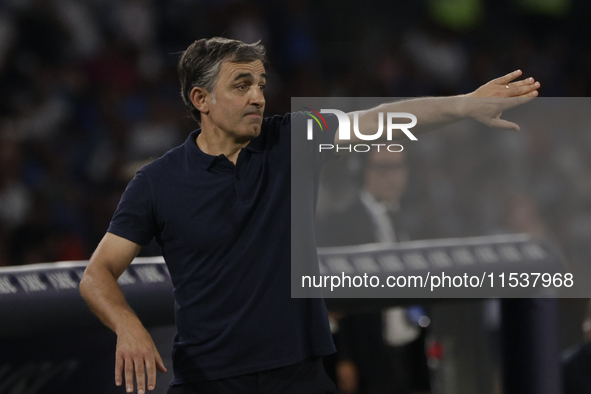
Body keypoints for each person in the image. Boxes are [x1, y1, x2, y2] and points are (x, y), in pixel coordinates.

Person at [78, 37, 540, 394]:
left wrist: (463, 105)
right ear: (201, 99)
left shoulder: (297, 137)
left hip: (300, 375)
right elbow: (97, 274)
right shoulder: (156, 183)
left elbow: (380, 118)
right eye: (241, 85)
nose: (258, 96)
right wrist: (128, 326)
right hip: (209, 380)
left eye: (260, 83)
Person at [317, 150, 431, 394]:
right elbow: (337, 298)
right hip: (367, 351)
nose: (394, 177)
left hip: (407, 342)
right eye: (384, 168)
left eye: (399, 168)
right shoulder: (343, 221)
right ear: (363, 171)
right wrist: (344, 357)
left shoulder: (404, 217)